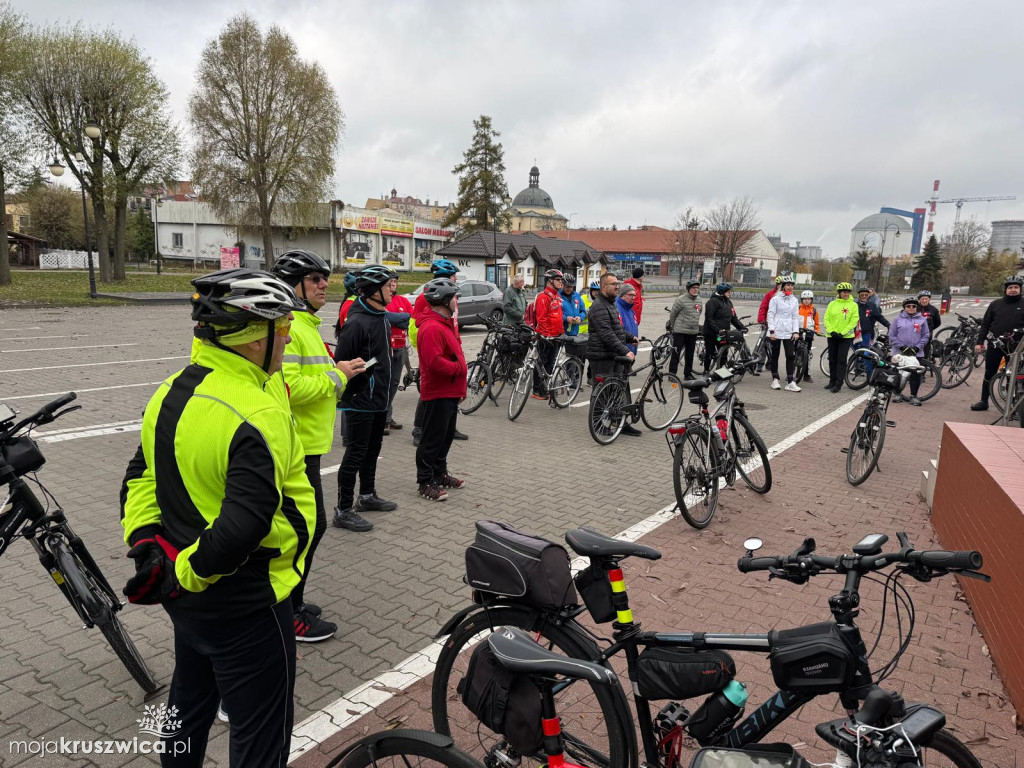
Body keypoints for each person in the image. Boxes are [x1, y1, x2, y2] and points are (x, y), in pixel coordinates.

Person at [120, 269, 313, 766]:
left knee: (187, 708)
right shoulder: (257, 411)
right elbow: (243, 526)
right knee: (260, 736)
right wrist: (187, 574)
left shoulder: (169, 390)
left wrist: (146, 543)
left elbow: (140, 475)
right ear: (252, 336)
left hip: (187, 595)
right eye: (282, 324)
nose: (289, 335)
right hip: (248, 599)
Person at [272, 250, 365, 642]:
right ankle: (289, 613)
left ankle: (293, 602)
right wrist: (337, 377)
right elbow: (289, 387)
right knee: (305, 529)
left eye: (324, 277)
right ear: (292, 286)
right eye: (313, 278)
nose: (324, 284)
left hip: (309, 445)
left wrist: (340, 372)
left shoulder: (306, 324)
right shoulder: (290, 327)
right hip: (296, 447)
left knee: (308, 528)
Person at [332, 265, 400, 532]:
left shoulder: (381, 317)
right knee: (355, 454)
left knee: (373, 450)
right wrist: (367, 374)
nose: (392, 289)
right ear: (373, 291)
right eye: (387, 285)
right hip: (361, 399)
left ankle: (367, 496)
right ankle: (343, 510)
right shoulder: (357, 322)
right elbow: (342, 363)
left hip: (379, 399)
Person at [415, 278, 467, 502]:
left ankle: (439, 473)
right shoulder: (432, 327)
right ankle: (425, 481)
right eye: (454, 298)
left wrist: (460, 383)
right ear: (445, 301)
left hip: (450, 391)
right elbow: (434, 362)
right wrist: (459, 369)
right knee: (432, 439)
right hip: (438, 392)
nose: (457, 302)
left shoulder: (443, 324)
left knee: (445, 437)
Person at [412, 259, 468, 445]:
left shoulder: (452, 297)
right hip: (433, 347)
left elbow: (452, 322)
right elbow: (416, 324)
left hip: (448, 343)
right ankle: (419, 428)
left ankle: (450, 426)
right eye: (453, 276)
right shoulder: (426, 298)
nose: (455, 279)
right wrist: (424, 348)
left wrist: (456, 341)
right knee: (429, 391)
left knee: (448, 396)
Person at [586, 272, 641, 436]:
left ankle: (620, 422)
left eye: (618, 284)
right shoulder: (599, 306)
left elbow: (617, 328)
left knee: (618, 391)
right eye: (614, 284)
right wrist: (625, 350)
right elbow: (606, 334)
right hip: (602, 356)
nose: (617, 287)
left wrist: (630, 338)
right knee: (602, 393)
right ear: (604, 287)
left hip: (613, 355)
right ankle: (598, 424)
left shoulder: (611, 304)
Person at [971, 276, 1024, 411]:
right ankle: (984, 401)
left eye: (1016, 287)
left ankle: (1012, 404)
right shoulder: (995, 304)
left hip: (1016, 347)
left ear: (1020, 289)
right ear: (1005, 289)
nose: (1013, 290)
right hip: (996, 344)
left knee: (1013, 375)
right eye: (1010, 287)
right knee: (989, 373)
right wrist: (979, 342)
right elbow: (985, 324)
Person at [384, 275, 414, 434]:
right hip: (387, 348)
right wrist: (400, 318)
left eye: (395, 282)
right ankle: (384, 419)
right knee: (385, 383)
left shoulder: (403, 300)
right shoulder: (383, 300)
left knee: (394, 383)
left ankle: (388, 416)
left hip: (401, 347)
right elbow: (385, 318)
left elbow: (410, 319)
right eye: (390, 282)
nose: (393, 284)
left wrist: (395, 319)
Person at [889, 297, 931, 406]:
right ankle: (897, 393)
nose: (911, 308)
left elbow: (926, 335)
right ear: (904, 307)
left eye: (914, 306)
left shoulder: (922, 320)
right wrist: (902, 347)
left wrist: (917, 347)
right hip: (899, 352)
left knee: (915, 375)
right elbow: (892, 335)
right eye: (908, 306)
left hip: (916, 352)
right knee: (898, 373)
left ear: (917, 307)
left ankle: (913, 396)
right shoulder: (897, 320)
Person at [532, 268, 566, 399]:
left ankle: (545, 388)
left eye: (561, 280)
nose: (560, 282)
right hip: (545, 337)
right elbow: (542, 319)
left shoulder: (557, 296)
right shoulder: (543, 297)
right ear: (549, 281)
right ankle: (537, 390)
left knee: (550, 364)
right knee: (541, 363)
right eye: (558, 280)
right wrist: (546, 336)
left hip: (555, 336)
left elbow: (558, 317)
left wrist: (561, 333)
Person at [823, 282, 859, 393]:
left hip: (845, 337)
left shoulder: (853, 305)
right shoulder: (832, 304)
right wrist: (831, 331)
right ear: (839, 293)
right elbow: (826, 318)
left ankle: (838, 383)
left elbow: (854, 321)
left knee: (841, 360)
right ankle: (832, 381)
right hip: (832, 335)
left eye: (848, 292)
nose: (846, 294)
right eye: (843, 292)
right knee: (832, 359)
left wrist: (843, 333)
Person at [766, 277, 801, 391]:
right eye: (788, 285)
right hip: (776, 331)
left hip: (789, 331)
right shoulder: (775, 299)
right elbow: (770, 315)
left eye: (792, 285)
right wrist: (772, 331)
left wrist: (795, 331)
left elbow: (795, 317)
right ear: (783, 286)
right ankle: (775, 379)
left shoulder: (794, 300)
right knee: (775, 355)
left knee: (790, 355)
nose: (790, 287)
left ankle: (790, 382)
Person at [702, 282, 746, 371]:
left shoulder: (729, 302)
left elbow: (733, 317)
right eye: (728, 292)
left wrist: (741, 327)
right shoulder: (712, 302)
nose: (730, 293)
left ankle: (720, 372)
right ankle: (706, 371)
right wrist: (718, 330)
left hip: (724, 333)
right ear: (722, 292)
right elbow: (709, 318)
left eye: (730, 291)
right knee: (709, 353)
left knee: (724, 354)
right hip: (712, 333)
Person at [667, 279, 702, 378]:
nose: (695, 289)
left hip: (693, 331)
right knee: (676, 353)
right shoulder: (680, 300)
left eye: (697, 288)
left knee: (690, 354)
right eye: (693, 288)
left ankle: (688, 374)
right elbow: (673, 315)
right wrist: (674, 327)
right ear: (688, 289)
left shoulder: (699, 300)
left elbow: (699, 312)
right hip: (680, 331)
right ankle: (672, 374)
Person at [854, 286, 891, 377]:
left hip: (866, 333)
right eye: (862, 295)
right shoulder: (854, 305)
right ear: (859, 296)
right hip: (855, 333)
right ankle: (856, 367)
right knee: (856, 352)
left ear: (868, 296)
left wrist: (888, 325)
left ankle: (865, 370)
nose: (864, 296)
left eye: (866, 295)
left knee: (865, 353)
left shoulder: (872, 305)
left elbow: (879, 317)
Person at [756, 275, 786, 373]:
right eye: (779, 284)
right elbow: (763, 307)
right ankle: (760, 363)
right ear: (777, 285)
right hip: (768, 322)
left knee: (774, 345)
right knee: (763, 344)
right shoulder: (770, 295)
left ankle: (770, 363)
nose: (781, 286)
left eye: (783, 285)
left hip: (780, 324)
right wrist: (762, 319)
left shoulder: (788, 297)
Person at [797, 290, 821, 384]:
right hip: (798, 333)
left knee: (807, 354)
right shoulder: (798, 308)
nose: (806, 301)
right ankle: (791, 373)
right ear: (802, 300)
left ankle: (806, 375)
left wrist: (817, 330)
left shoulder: (814, 310)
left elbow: (816, 323)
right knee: (794, 352)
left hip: (809, 334)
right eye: (805, 299)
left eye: (808, 299)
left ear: (811, 300)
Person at [616, 283, 640, 356]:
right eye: (630, 295)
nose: (633, 298)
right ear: (622, 295)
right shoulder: (616, 308)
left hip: (630, 350)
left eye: (634, 295)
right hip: (622, 351)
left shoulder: (631, 310)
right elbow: (617, 330)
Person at [917, 290, 941, 358]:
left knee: (925, 352)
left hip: (927, 334)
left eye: (926, 299)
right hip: (915, 334)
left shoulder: (934, 310)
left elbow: (937, 322)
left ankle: (925, 362)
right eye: (922, 299)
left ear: (929, 299)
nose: (924, 301)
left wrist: (929, 328)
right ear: (919, 300)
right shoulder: (915, 308)